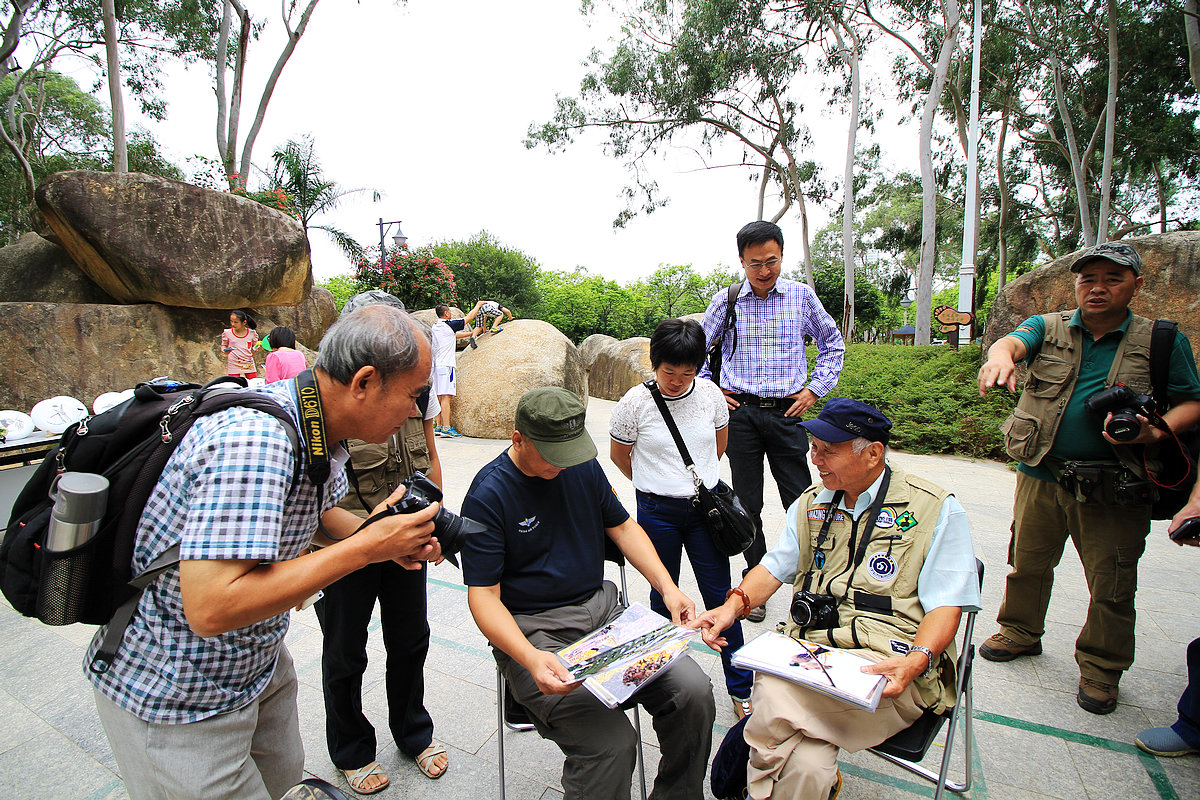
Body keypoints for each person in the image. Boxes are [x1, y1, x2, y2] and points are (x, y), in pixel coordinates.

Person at [86, 303, 445, 800]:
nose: (414, 410)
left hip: (253, 666)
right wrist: (365, 549)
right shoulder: (258, 441)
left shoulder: (310, 426)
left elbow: (314, 517)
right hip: (178, 693)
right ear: (363, 381)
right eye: (412, 395)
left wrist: (381, 537)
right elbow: (211, 607)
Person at [694, 398, 981, 800]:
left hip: (887, 665)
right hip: (814, 651)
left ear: (873, 454)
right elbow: (775, 567)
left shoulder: (934, 509)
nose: (816, 459)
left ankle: (745, 766)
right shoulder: (812, 503)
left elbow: (947, 606)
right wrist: (732, 607)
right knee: (809, 766)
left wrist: (917, 660)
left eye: (829, 450)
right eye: (813, 447)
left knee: (772, 697)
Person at [977, 241, 1200, 714]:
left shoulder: (1160, 339)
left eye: (1112, 279)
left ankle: (1101, 669)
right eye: (1087, 279)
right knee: (1027, 562)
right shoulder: (1049, 327)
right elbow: (1012, 341)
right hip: (1040, 473)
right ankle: (1020, 631)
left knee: (1112, 582)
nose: (1097, 288)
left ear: (1136, 285)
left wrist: (1154, 431)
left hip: (1116, 481)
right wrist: (1001, 357)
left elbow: (1192, 402)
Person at [460, 387, 716, 800]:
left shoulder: (579, 466)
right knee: (611, 745)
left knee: (694, 693)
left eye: (569, 453)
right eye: (550, 455)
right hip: (536, 634)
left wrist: (669, 589)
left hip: (606, 615)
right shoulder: (489, 495)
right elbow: (483, 597)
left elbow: (623, 527)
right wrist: (529, 658)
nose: (561, 466)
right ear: (518, 438)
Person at [314, 291, 449, 794]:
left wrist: (431, 520)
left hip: (403, 537)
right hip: (344, 541)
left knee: (410, 639)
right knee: (346, 651)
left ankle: (413, 733)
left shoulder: (414, 388)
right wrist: (369, 541)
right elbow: (320, 508)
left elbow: (429, 452)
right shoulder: (332, 404)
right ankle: (351, 749)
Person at [609, 318, 756, 719]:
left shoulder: (709, 394)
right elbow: (620, 455)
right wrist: (656, 483)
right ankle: (660, 678)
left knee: (722, 597)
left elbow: (719, 445)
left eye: (686, 372)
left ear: (699, 367)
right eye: (668, 371)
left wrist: (695, 482)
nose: (676, 380)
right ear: (654, 363)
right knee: (663, 594)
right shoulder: (635, 403)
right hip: (657, 512)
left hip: (705, 511)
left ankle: (740, 687)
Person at [700, 220, 846, 622]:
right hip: (741, 415)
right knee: (746, 503)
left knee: (802, 499)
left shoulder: (801, 297)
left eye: (772, 260)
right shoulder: (727, 299)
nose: (764, 271)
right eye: (754, 263)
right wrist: (712, 390)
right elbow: (693, 348)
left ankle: (815, 582)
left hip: (787, 414)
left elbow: (833, 343)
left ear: (782, 255)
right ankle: (754, 586)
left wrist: (815, 389)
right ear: (742, 262)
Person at [432, 301, 484, 439]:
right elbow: (469, 318)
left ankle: (438, 426)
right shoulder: (449, 324)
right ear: (447, 313)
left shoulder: (436, 327)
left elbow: (452, 336)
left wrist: (471, 334)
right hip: (446, 366)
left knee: (439, 396)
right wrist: (478, 305)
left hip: (436, 366)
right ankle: (447, 428)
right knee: (446, 397)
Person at [222, 309, 260, 379]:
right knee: (234, 382)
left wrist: (260, 347)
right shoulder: (227, 333)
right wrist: (224, 350)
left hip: (248, 361)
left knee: (253, 381)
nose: (233, 324)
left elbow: (255, 346)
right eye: (231, 321)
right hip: (233, 362)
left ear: (244, 322)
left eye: (236, 322)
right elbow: (224, 345)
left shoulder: (252, 333)